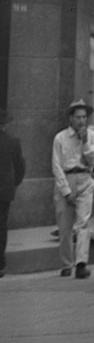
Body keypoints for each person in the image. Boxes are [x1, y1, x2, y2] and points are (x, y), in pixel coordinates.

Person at [51, 99, 94, 279]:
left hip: (85, 179)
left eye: (84, 117)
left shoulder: (93, 136)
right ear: (70, 119)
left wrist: (86, 143)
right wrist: (66, 191)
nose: (82, 121)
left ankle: (81, 263)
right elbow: (56, 166)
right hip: (66, 179)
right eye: (78, 117)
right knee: (64, 227)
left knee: (83, 223)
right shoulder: (60, 138)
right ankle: (66, 264)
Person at [0, 110, 25, 278]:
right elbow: (20, 167)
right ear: (5, 124)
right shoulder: (12, 141)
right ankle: (0, 264)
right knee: (1, 225)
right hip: (4, 191)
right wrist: (13, 183)